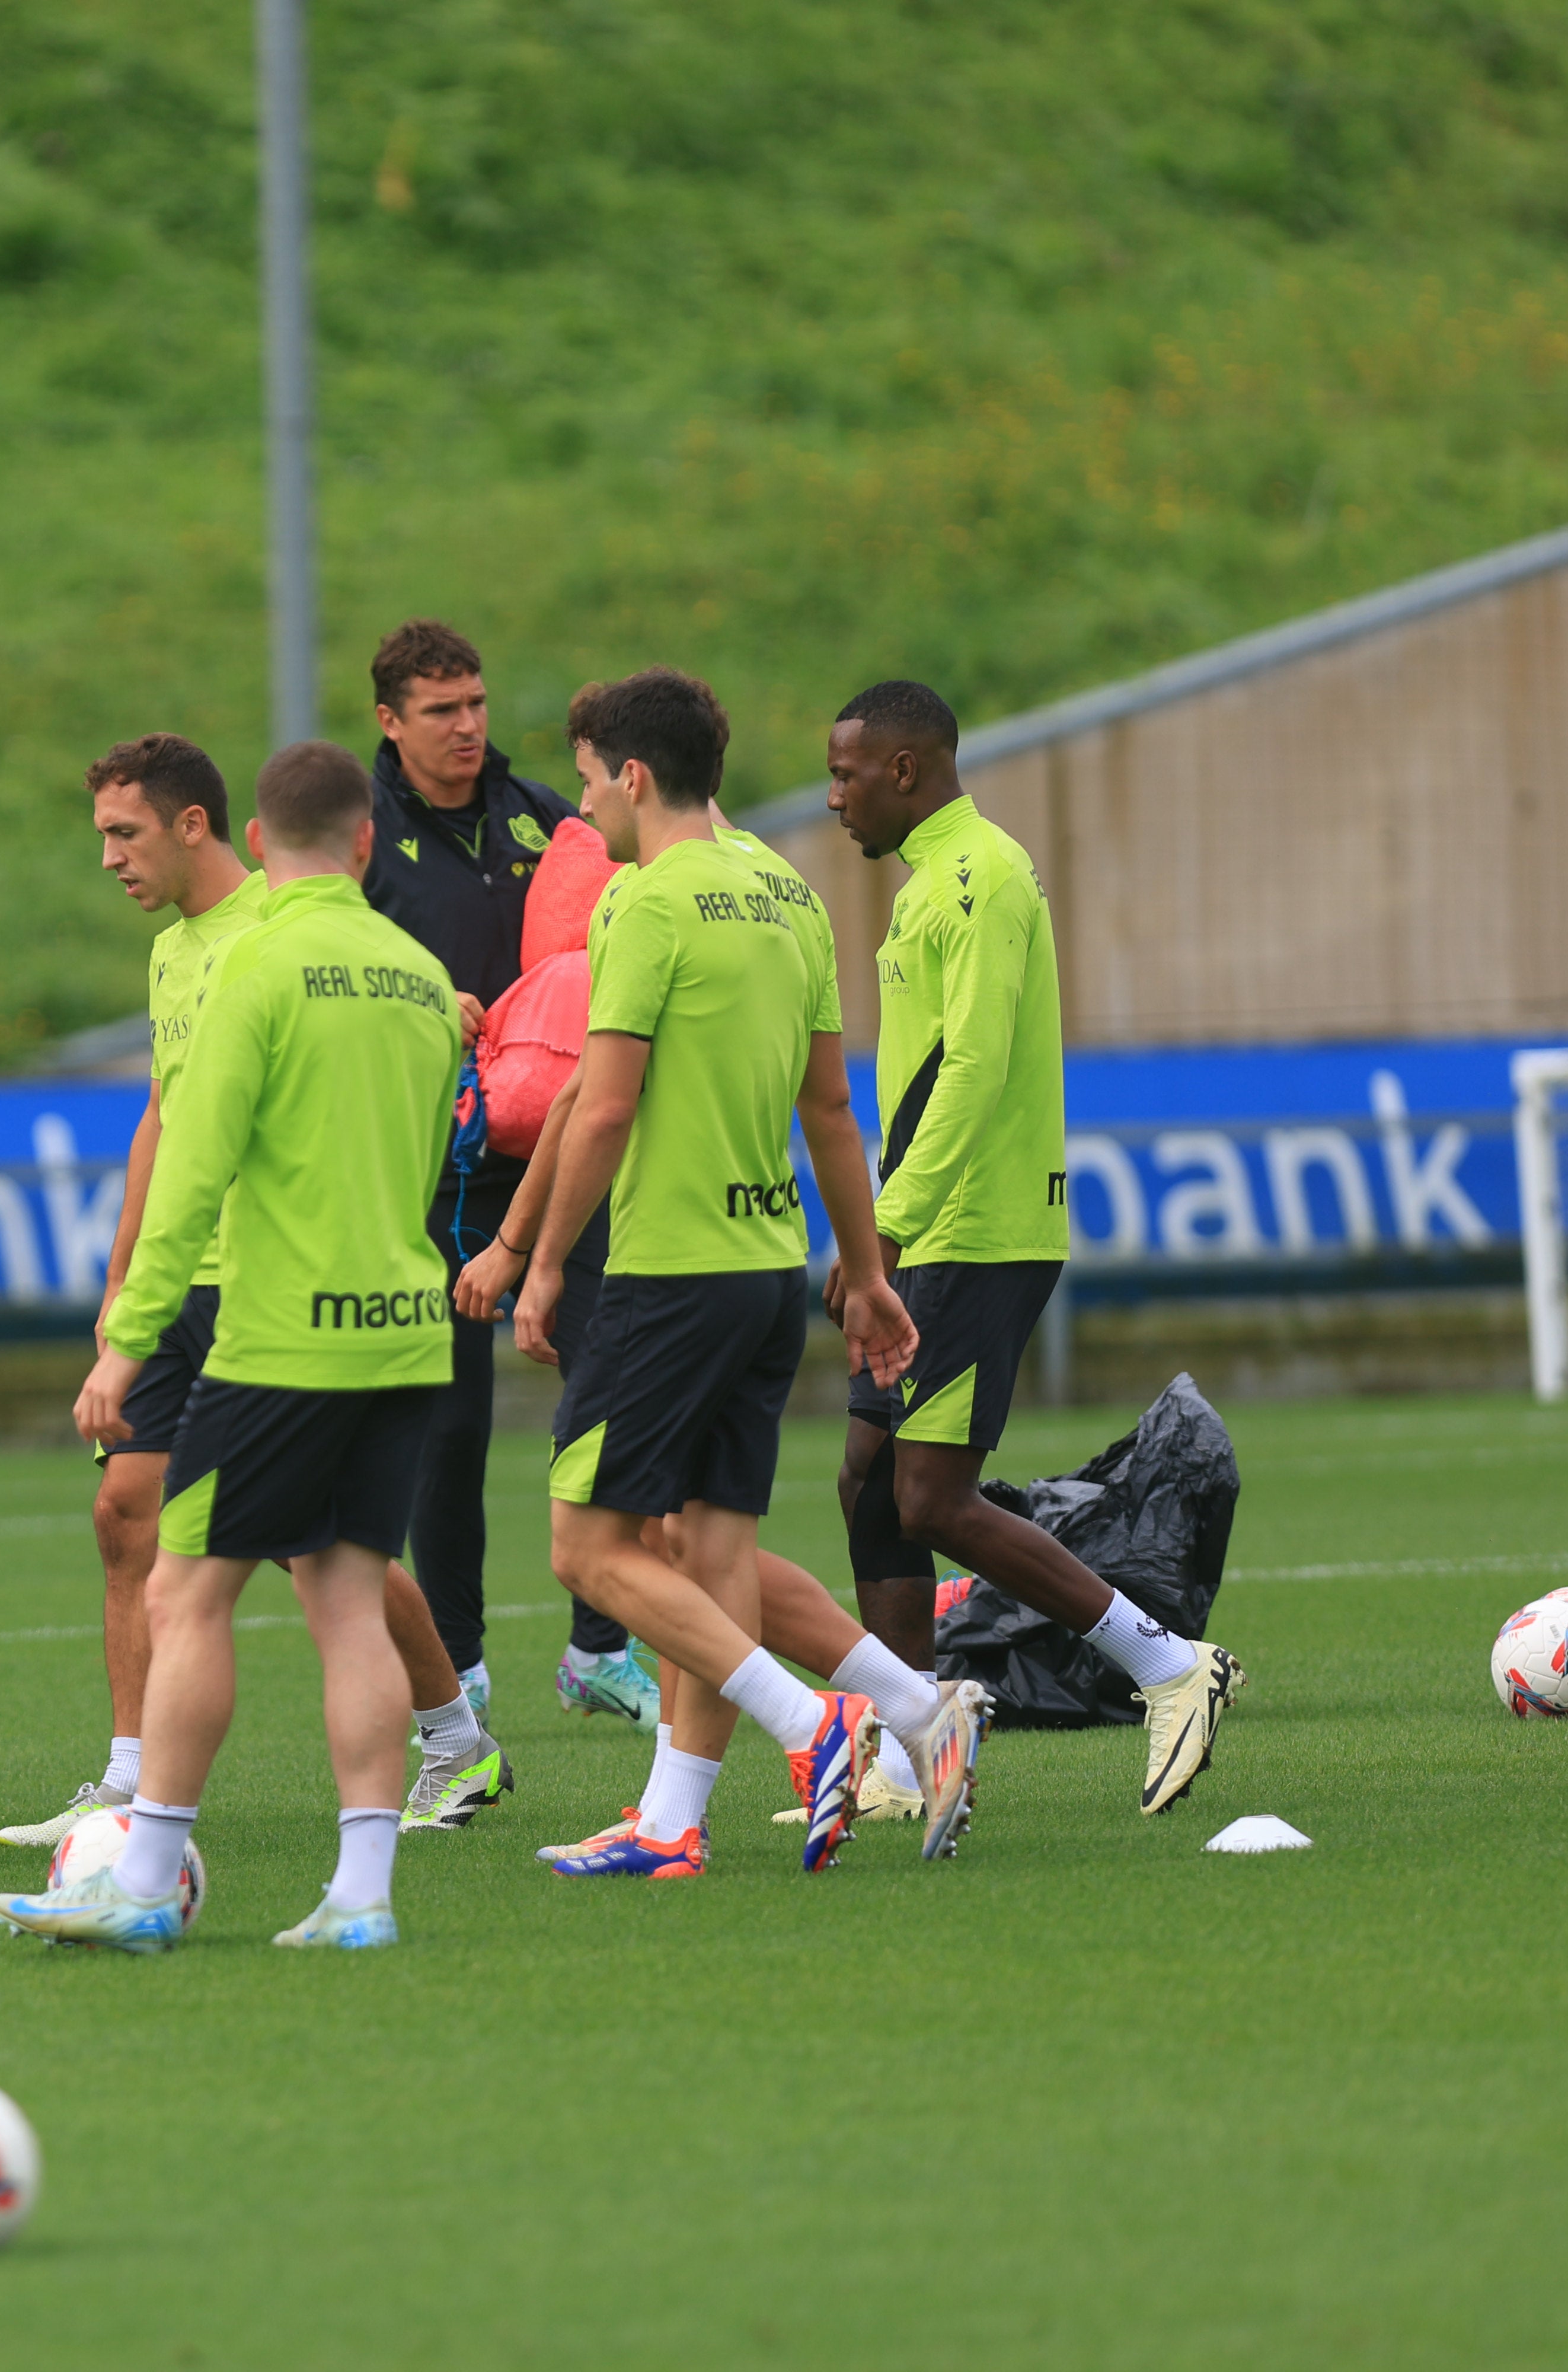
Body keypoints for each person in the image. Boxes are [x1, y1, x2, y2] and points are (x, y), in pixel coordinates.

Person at [0, 741, 465, 1954]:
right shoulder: (420, 976)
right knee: (349, 1602)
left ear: (257, 842)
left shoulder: (250, 967)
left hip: (280, 1336)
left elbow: (191, 1180)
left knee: (187, 1591)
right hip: (405, 1334)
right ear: (366, 843)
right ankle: (362, 1897)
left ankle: (143, 1876)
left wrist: (122, 1344)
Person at [507, 670, 980, 1879]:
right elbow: (830, 1104)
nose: (583, 809)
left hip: (668, 1277)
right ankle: (691, 1811)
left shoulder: (646, 901)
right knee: (705, 1553)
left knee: (586, 1547)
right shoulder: (790, 892)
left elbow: (601, 1107)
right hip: (769, 1271)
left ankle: (817, 1720)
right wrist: (863, 1274)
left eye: (584, 780)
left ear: (634, 776)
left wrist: (544, 1261)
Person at [824, 681, 1244, 1813]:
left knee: (932, 1498)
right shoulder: (930, 885)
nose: (834, 796)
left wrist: (891, 1223)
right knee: (869, 1478)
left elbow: (977, 1065)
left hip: (979, 1228)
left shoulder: (985, 876)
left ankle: (1170, 1665)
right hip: (931, 1225)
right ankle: (911, 1757)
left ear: (905, 770)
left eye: (848, 773)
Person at [358, 621, 656, 1724]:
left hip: (559, 1147)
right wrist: (431, 1005)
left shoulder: (545, 817)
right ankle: (462, 1665)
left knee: (609, 1375)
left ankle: (597, 1646)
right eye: (441, 710)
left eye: (476, 702)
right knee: (450, 1421)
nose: (468, 726)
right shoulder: (361, 838)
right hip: (430, 1160)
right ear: (391, 722)